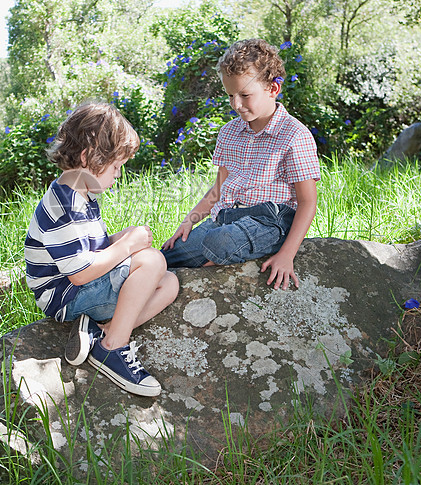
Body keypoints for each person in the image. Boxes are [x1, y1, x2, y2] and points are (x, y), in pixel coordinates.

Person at [25, 102, 179, 397]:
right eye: (116, 167)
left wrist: (120, 239)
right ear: (88, 157)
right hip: (66, 297)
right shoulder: (62, 205)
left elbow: (89, 248)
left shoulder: (82, 193)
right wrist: (127, 247)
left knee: (169, 283)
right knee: (151, 262)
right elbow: (81, 274)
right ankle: (112, 348)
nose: (118, 175)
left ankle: (101, 331)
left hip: (82, 288)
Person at [161, 39, 320, 290]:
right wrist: (189, 221)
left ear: (273, 89)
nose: (236, 104)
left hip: (270, 221)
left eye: (245, 95)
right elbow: (218, 189)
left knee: (219, 241)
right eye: (230, 96)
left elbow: (307, 201)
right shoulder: (228, 132)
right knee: (165, 257)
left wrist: (287, 255)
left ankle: (212, 262)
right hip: (225, 218)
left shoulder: (294, 135)